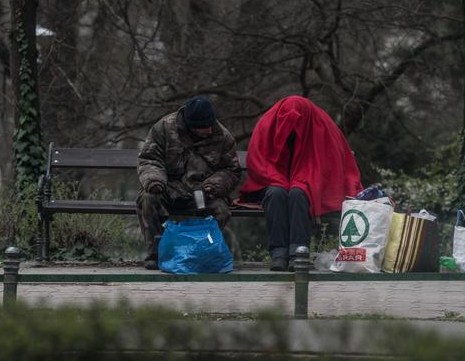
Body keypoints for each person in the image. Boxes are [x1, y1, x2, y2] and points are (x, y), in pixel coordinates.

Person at [239, 96, 363, 271]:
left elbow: (322, 164)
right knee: (276, 193)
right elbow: (258, 162)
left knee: (299, 193)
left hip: (306, 179)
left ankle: (299, 253)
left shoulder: (320, 125)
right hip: (272, 180)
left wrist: (299, 183)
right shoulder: (267, 124)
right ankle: (279, 254)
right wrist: (280, 181)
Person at [137, 96, 241, 270]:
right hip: (168, 186)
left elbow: (231, 170)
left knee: (221, 211)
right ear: (191, 125)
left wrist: (213, 185)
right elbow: (149, 159)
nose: (209, 130)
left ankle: (202, 252)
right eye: (203, 127)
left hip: (203, 191)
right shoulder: (163, 127)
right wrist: (154, 180)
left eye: (210, 124)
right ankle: (156, 254)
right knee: (148, 199)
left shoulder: (223, 136)